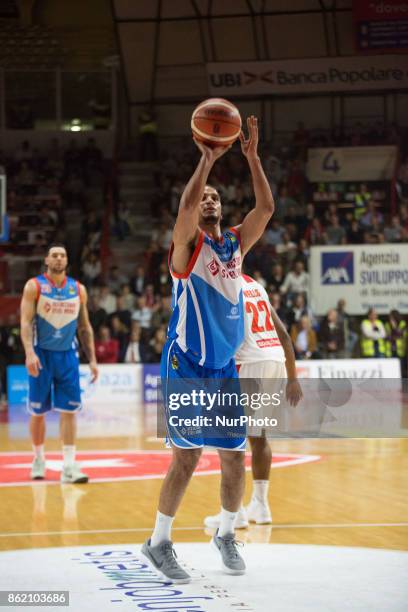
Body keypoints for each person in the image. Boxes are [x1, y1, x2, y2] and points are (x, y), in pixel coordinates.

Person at [142, 116, 274, 581]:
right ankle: (158, 542)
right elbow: (184, 207)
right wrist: (207, 156)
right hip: (186, 363)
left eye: (217, 197)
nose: (210, 201)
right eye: (204, 199)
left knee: (234, 457)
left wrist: (252, 158)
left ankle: (226, 533)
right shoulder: (186, 247)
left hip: (223, 367)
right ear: (195, 210)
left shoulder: (236, 243)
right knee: (187, 456)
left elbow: (266, 209)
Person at [204, 274, 302, 529]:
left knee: (229, 439)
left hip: (247, 363)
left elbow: (224, 336)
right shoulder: (256, 285)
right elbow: (282, 334)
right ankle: (261, 504)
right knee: (259, 436)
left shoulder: (222, 288)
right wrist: (292, 378)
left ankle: (234, 512)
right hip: (274, 361)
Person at [20, 244, 98, 483]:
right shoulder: (34, 286)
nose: (58, 258)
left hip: (67, 356)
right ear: (46, 260)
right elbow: (24, 322)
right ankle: (38, 458)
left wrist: (93, 359)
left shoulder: (78, 289)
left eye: (62, 255)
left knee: (69, 411)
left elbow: (84, 327)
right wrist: (29, 353)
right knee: (38, 412)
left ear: (67, 261)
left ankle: (69, 466)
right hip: (41, 355)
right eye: (54, 255)